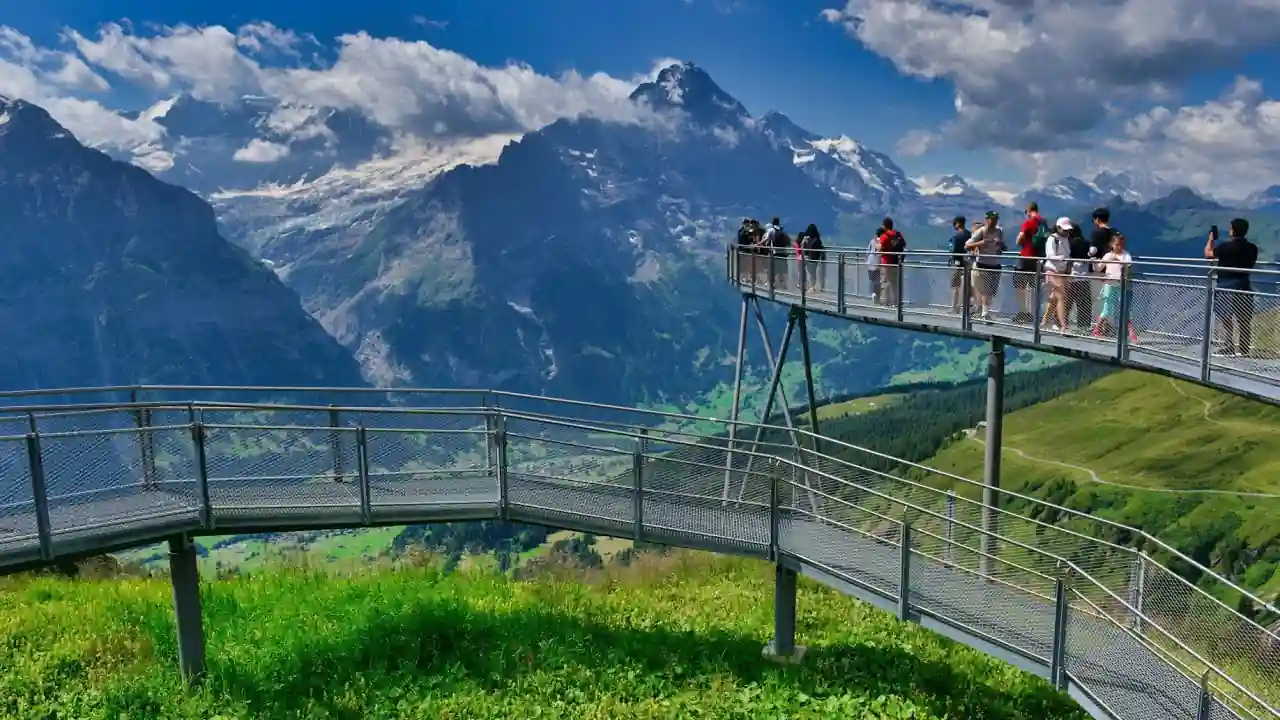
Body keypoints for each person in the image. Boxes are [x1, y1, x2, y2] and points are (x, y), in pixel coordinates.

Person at [1204, 217, 1259, 357]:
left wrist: (1211, 239)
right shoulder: (1252, 248)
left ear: (1233, 231)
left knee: (1226, 318)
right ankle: (1244, 349)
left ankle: (1229, 346)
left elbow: (1208, 254)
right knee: (1244, 319)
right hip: (1244, 285)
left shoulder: (1224, 248)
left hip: (1226, 285)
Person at [1091, 232, 1138, 342]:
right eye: (1117, 244)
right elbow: (1098, 268)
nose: (1120, 247)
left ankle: (1131, 333)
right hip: (1109, 284)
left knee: (1125, 309)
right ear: (1112, 244)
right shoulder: (1107, 255)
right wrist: (1094, 262)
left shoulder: (1125, 255)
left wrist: (1118, 260)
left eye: (1122, 244)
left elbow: (1129, 265)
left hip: (1121, 285)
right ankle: (1097, 329)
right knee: (1106, 309)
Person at [965, 211, 1005, 320]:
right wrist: (982, 243)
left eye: (996, 219)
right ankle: (984, 313)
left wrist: (1000, 244)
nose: (994, 221)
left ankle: (981, 309)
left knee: (992, 292)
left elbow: (1004, 247)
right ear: (986, 220)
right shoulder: (981, 231)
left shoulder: (1000, 231)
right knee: (985, 291)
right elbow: (967, 245)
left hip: (995, 264)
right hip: (982, 264)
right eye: (992, 219)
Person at [1014, 201, 1049, 323]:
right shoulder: (1043, 222)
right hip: (1039, 258)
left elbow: (1019, 240)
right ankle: (1037, 314)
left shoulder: (1028, 222)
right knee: (1035, 287)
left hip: (1026, 257)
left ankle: (1024, 313)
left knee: (1020, 286)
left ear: (1028, 211)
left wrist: (1022, 241)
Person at [1040, 217, 1073, 333]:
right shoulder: (1052, 239)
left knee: (1055, 297)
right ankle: (1063, 325)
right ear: (1058, 228)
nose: (1066, 232)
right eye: (1064, 229)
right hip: (1052, 270)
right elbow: (1049, 255)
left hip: (1062, 271)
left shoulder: (1066, 239)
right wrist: (1061, 259)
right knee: (1061, 297)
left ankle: (1044, 320)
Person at [1065, 223, 1093, 332]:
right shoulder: (1087, 243)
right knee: (1084, 303)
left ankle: (1063, 322)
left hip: (1072, 276)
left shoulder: (1069, 243)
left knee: (1067, 301)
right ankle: (1084, 325)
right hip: (1084, 276)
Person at [877, 217, 907, 307]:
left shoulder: (884, 236)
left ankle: (887, 301)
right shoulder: (898, 234)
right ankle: (896, 302)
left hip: (887, 262)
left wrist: (877, 246)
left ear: (885, 226)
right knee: (895, 282)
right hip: (897, 261)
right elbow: (904, 244)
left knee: (886, 281)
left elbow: (881, 248)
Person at [949, 216, 971, 313]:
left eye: (954, 223)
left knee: (955, 286)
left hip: (958, 263)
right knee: (967, 285)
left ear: (958, 223)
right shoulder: (970, 234)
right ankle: (966, 306)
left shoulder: (956, 236)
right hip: (968, 263)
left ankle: (954, 307)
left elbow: (953, 249)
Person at [800, 223, 826, 292]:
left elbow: (802, 247)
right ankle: (813, 286)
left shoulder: (810, 239)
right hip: (813, 258)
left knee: (810, 273)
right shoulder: (816, 239)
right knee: (812, 273)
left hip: (810, 258)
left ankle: (812, 287)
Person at [867, 226, 883, 304]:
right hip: (878, 263)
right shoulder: (882, 241)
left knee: (872, 279)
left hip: (870, 263)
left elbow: (867, 251)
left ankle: (873, 294)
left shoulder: (872, 241)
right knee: (878, 281)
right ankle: (877, 296)